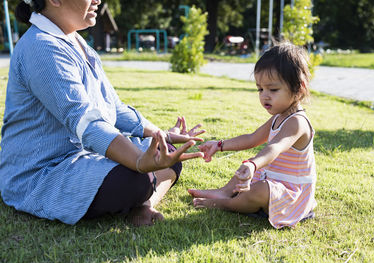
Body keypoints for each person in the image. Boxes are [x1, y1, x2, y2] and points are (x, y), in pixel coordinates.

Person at [0, 0, 205, 226]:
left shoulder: (79, 43)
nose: (98, 0)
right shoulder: (40, 46)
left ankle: (146, 204)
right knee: (137, 177)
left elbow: (114, 108)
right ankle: (143, 195)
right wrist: (138, 160)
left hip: (84, 158)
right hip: (44, 172)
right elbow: (85, 120)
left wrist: (161, 136)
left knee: (169, 157)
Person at [188, 42, 317, 229]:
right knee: (248, 167)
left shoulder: (297, 122)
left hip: (291, 193)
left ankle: (226, 204)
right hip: (274, 179)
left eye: (273, 90)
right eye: (260, 89)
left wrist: (254, 164)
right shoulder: (278, 117)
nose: (265, 96)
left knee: (260, 188)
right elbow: (252, 138)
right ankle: (224, 192)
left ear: (299, 88)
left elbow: (275, 147)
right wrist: (220, 145)